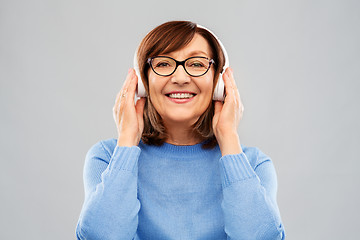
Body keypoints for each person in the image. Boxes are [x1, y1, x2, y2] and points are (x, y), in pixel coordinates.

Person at [75, 20, 285, 240]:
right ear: (143, 82)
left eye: (196, 64)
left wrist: (229, 138)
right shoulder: (108, 158)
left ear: (219, 83)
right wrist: (127, 139)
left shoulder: (253, 164)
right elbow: (101, 236)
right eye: (164, 64)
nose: (180, 78)